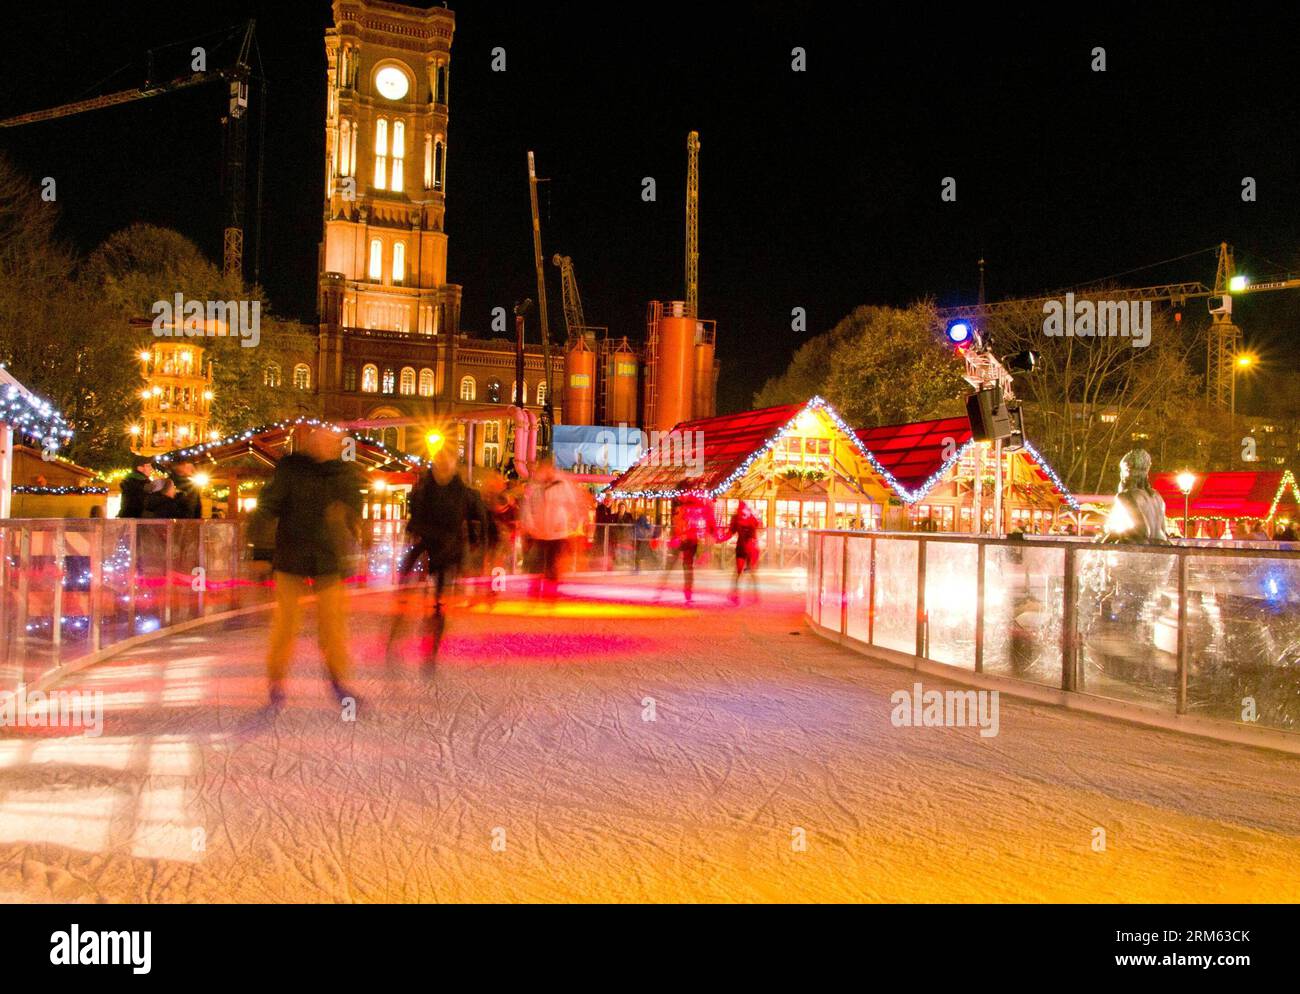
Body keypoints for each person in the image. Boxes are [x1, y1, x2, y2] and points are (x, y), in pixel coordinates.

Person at [258, 428, 364, 710]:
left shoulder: (344, 473)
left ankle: (338, 680)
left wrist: (352, 534)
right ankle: (276, 681)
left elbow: (355, 509)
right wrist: (260, 551)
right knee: (286, 622)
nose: (324, 446)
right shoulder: (291, 468)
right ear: (309, 444)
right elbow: (269, 505)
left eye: (331, 442)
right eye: (320, 441)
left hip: (328, 559)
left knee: (333, 625)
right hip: (291, 555)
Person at [389, 445, 475, 664]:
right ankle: (399, 622)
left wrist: (472, 549)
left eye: (447, 463)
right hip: (426, 542)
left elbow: (471, 520)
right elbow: (415, 515)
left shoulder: (461, 491)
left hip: (447, 549)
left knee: (439, 599)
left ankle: (432, 642)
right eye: (440, 462)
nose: (443, 467)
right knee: (406, 580)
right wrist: (413, 532)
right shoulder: (425, 487)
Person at [519, 455, 586, 597]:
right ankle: (535, 590)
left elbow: (573, 505)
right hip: (539, 532)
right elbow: (528, 507)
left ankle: (550, 592)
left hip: (557, 533)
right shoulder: (535, 485)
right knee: (536, 563)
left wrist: (574, 525)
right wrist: (529, 526)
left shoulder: (562, 484)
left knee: (552, 564)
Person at [659, 495, 720, 605]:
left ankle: (682, 592)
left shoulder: (687, 511)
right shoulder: (688, 511)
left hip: (688, 541)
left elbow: (684, 526)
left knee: (683, 566)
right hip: (686, 540)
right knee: (684, 566)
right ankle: (683, 592)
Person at [726, 500, 762, 604]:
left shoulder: (744, 518)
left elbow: (731, 532)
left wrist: (722, 537)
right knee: (746, 572)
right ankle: (750, 595)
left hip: (746, 548)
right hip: (746, 547)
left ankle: (737, 595)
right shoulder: (746, 518)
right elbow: (731, 532)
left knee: (741, 572)